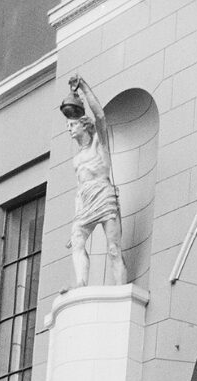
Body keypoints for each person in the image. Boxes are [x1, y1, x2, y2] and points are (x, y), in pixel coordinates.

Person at [59, 76, 124, 288]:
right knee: (77, 241)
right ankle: (80, 283)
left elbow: (100, 116)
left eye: (72, 124)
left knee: (113, 249)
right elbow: (79, 190)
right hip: (86, 201)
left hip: (104, 195)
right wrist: (76, 219)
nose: (69, 128)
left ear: (83, 125)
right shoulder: (76, 159)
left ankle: (120, 289)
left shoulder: (99, 144)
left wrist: (84, 88)